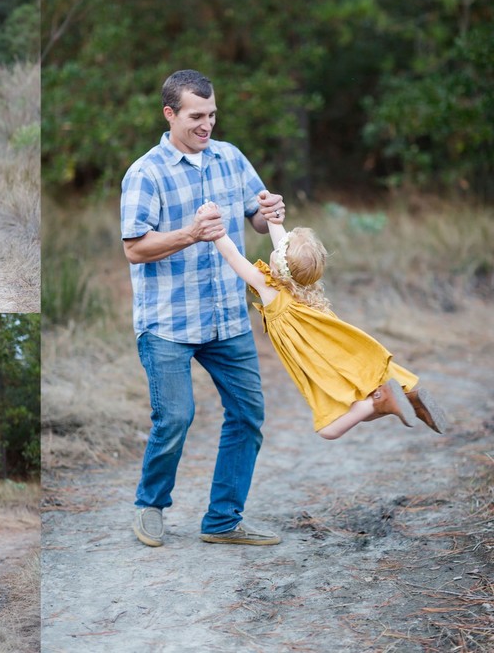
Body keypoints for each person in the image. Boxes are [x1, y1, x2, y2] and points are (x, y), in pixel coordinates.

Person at [120, 69, 286, 548]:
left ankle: (222, 521)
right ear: (169, 114)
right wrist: (190, 233)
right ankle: (150, 506)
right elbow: (134, 248)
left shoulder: (230, 158)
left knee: (248, 414)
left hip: (227, 317)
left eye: (212, 114)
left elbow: (255, 218)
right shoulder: (145, 173)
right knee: (175, 418)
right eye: (196, 116)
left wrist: (268, 211)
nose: (206, 124)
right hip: (168, 322)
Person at [199, 201, 449, 439]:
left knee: (330, 428)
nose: (275, 249)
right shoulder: (306, 285)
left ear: (279, 266)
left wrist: (216, 231)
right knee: (365, 404)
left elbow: (234, 258)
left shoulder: (270, 290)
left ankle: (386, 399)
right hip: (333, 353)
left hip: (317, 361)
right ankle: (409, 402)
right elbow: (282, 243)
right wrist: (272, 215)